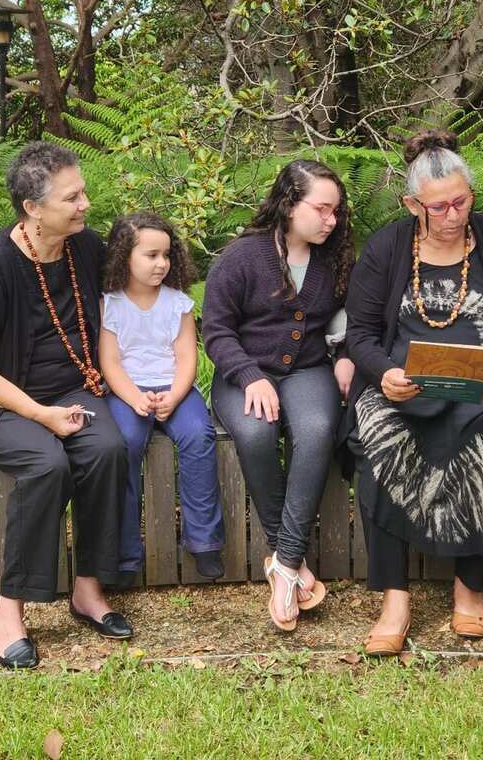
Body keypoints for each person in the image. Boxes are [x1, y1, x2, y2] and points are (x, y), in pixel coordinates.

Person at [344, 130, 483, 656]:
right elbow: (360, 336)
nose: (452, 215)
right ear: (411, 204)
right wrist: (383, 376)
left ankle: (469, 584)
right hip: (404, 386)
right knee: (379, 441)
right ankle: (394, 598)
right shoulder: (387, 248)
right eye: (438, 206)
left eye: (461, 201)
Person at [0, 141, 135, 671]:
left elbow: (140, 286)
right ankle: (9, 612)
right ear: (33, 208)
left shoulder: (84, 247)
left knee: (107, 449)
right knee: (47, 465)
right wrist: (39, 414)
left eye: (84, 193)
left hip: (74, 387)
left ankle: (88, 590)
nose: (86, 204)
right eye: (73, 197)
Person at [201, 160, 355, 631]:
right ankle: (292, 562)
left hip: (308, 370)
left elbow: (354, 320)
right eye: (322, 209)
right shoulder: (241, 258)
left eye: (336, 211)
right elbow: (217, 330)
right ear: (290, 204)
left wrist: (346, 355)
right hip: (243, 374)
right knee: (255, 433)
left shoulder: (335, 259)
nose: (331, 220)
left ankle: (284, 564)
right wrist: (249, 375)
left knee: (317, 430)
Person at [98, 211, 225, 585]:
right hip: (127, 392)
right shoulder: (111, 304)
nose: (161, 264)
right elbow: (110, 362)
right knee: (126, 443)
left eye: (166, 255)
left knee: (198, 436)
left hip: (175, 388)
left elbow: (187, 356)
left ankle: (205, 542)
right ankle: (124, 555)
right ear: (125, 256)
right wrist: (135, 397)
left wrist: (175, 393)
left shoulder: (177, 303)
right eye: (151, 255)